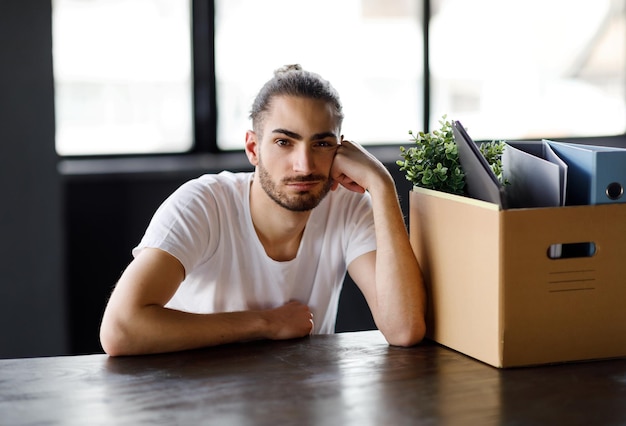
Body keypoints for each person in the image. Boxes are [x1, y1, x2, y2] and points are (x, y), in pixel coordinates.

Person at [99, 64, 426, 356]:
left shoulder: (348, 206)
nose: (304, 164)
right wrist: (265, 323)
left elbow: (404, 329)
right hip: (196, 402)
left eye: (322, 144)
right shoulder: (202, 204)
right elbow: (121, 329)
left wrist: (381, 184)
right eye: (285, 142)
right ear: (253, 148)